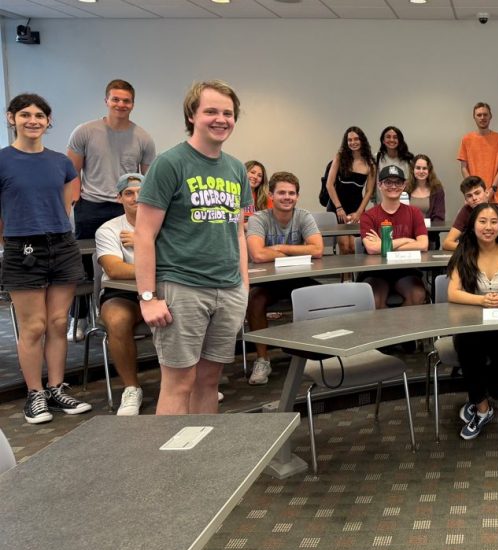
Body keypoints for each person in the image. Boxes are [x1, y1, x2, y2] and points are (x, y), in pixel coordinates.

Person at [134, 80, 251, 416]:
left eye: (228, 113)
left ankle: (202, 460)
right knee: (179, 383)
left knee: (209, 382)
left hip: (227, 290)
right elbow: (144, 234)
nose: (221, 119)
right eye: (211, 111)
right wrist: (147, 297)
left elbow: (238, 233)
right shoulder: (170, 163)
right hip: (182, 287)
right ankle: (168, 468)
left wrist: (243, 285)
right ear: (192, 115)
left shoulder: (236, 168)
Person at [1, 93, 92, 424]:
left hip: (62, 245)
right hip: (21, 247)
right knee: (34, 325)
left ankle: (56, 387)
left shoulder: (61, 163)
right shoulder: (3, 160)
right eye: (25, 114)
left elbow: (66, 204)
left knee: (57, 323)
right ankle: (34, 394)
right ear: (12, 118)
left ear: (48, 121)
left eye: (40, 115)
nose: (33, 120)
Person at [446, 203, 498, 440]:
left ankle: (479, 397)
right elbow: (453, 292)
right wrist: (482, 300)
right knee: (470, 350)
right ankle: (482, 409)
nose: (488, 227)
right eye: (482, 221)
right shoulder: (464, 251)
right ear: (472, 224)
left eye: (494, 222)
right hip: (471, 323)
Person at [246, 171, 325, 385]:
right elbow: (258, 254)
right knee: (254, 301)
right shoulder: (258, 219)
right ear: (271, 195)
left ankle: (314, 352)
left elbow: (317, 250)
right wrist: (299, 250)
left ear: (297, 196)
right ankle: (262, 360)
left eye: (292, 193)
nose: (287, 197)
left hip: (298, 278)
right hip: (269, 282)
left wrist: (280, 248)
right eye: (281, 192)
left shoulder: (303, 216)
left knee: (324, 296)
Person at [67, 79, 156, 240]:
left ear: (133, 104)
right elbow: (72, 170)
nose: (121, 104)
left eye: (126, 101)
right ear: (106, 101)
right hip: (90, 206)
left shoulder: (144, 138)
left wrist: (141, 206)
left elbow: (148, 179)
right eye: (115, 99)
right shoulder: (84, 132)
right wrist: (76, 200)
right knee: (88, 257)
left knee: (126, 254)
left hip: (126, 206)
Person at [95, 173, 148, 415]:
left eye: (141, 191)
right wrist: (157, 266)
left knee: (190, 309)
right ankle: (131, 388)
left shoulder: (167, 222)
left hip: (161, 290)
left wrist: (142, 242)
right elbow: (114, 269)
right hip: (121, 294)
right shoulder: (109, 229)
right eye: (129, 193)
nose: (136, 197)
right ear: (119, 198)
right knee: (117, 320)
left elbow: (184, 259)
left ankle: (189, 383)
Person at [360, 164, 429, 308]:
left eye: (398, 182)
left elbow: (423, 244)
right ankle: (385, 331)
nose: (393, 186)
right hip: (376, 271)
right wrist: (406, 240)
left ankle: (404, 329)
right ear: (379, 185)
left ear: (404, 185)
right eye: (388, 182)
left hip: (406, 269)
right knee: (374, 299)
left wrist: (384, 246)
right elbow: (372, 248)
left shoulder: (414, 213)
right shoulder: (368, 216)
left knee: (417, 295)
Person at [326, 126, 376, 254]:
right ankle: (345, 274)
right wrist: (338, 208)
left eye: (356, 139)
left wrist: (359, 212)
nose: (353, 142)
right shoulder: (340, 157)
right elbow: (329, 185)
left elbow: (369, 191)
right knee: (344, 245)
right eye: (349, 140)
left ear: (362, 140)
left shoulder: (370, 163)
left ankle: (356, 274)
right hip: (338, 207)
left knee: (353, 246)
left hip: (357, 208)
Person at [444, 176, 498, 251]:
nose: (474, 198)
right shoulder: (465, 211)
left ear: (486, 193)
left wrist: (490, 251)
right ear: (465, 200)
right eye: (469, 196)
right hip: (474, 256)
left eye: (477, 193)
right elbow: (447, 243)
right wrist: (474, 250)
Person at [458, 102, 498, 203]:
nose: (482, 117)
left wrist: (492, 190)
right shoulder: (466, 139)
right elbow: (463, 167)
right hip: (473, 198)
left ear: (490, 116)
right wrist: (475, 191)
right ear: (474, 117)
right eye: (479, 115)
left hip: (494, 197)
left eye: (485, 114)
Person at [408, 154, 446, 249]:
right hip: (408, 238)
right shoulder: (405, 189)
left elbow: (439, 218)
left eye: (424, 168)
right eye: (418, 168)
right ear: (413, 170)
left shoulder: (437, 190)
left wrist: (423, 234)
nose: (421, 171)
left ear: (429, 171)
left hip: (430, 238)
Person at [376, 125, 414, 197]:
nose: (391, 140)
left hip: (402, 203)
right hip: (381, 203)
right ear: (383, 140)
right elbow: (372, 184)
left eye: (395, 137)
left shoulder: (408, 160)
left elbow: (411, 184)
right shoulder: (376, 158)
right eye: (388, 137)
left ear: (399, 140)